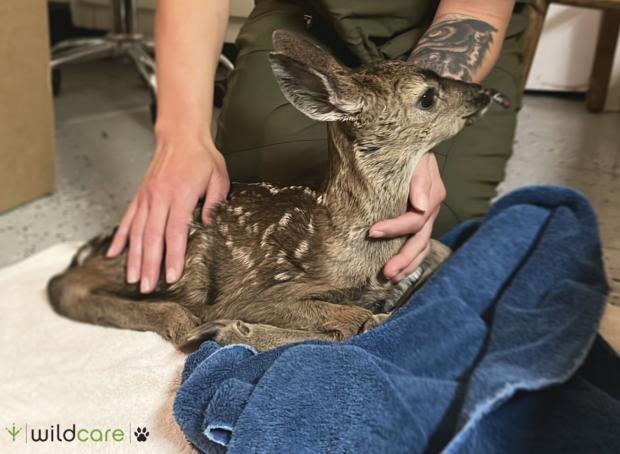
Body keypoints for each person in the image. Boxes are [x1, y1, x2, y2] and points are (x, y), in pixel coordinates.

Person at [106, 0, 527, 294]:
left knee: (431, 233)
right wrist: (183, 135)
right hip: (307, 20)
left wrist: (412, 128)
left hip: (449, 23)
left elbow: (475, 10)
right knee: (255, 222)